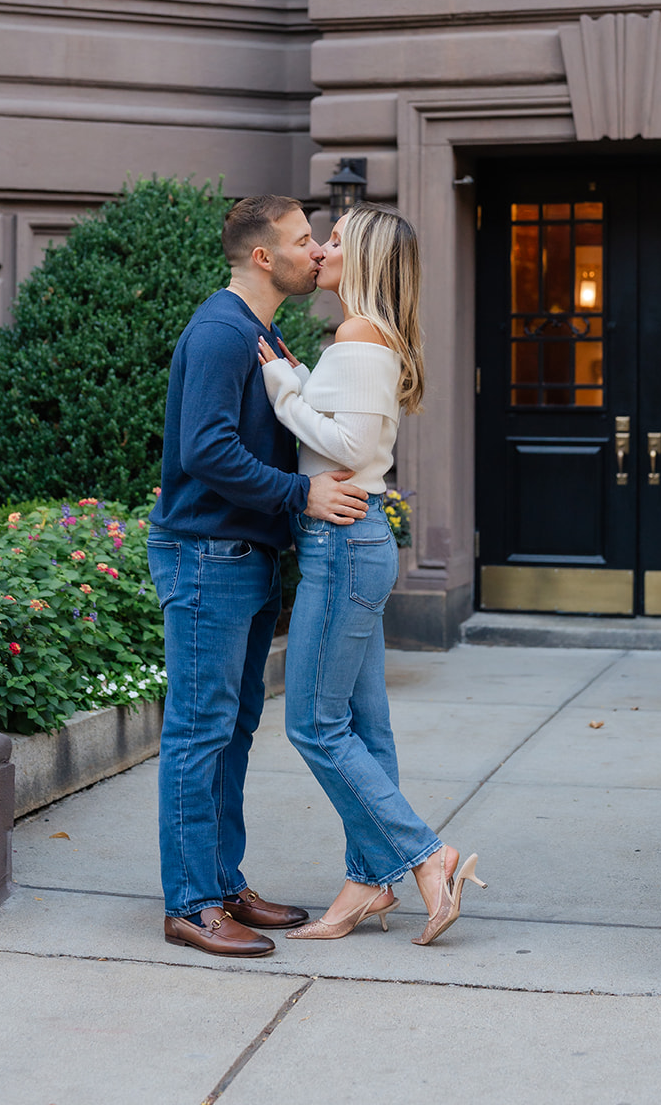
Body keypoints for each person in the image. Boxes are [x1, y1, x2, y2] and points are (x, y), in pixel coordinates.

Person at [147, 194, 370, 959]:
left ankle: (221, 880)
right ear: (264, 256)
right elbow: (204, 450)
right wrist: (299, 492)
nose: (317, 252)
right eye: (304, 240)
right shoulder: (221, 330)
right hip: (207, 554)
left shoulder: (258, 331)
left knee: (232, 729)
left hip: (241, 556)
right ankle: (191, 903)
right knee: (198, 730)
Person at [258, 204, 485, 946]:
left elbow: (344, 443)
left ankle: (425, 853)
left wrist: (282, 388)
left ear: (361, 260)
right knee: (364, 724)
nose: (319, 250)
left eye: (333, 241)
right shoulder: (363, 339)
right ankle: (367, 883)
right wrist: (297, 373)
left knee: (313, 725)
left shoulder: (358, 336)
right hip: (354, 541)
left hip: (342, 543)